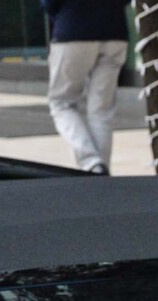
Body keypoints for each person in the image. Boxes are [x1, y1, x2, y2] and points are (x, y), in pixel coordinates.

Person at [41, 0, 129, 174]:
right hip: (115, 32)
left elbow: (48, 4)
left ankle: (91, 162)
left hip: (72, 31)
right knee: (102, 110)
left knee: (61, 103)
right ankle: (100, 172)